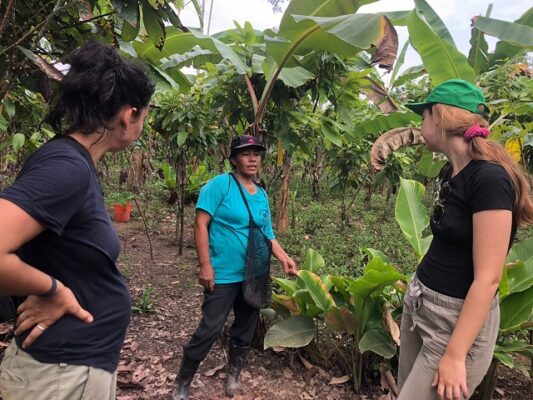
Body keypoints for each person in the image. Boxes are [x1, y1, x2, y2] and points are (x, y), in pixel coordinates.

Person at [0, 41, 154, 399]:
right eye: (144, 116)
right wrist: (53, 291)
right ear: (127, 116)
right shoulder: (67, 167)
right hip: (59, 376)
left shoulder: (71, 160)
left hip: (66, 370)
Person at [397, 79, 533, 400]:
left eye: (424, 115)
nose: (421, 123)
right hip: (421, 302)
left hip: (454, 323)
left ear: (440, 118)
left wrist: (456, 355)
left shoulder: (489, 179)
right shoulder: (451, 171)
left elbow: (488, 278)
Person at [172, 135, 298, 400]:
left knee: (245, 327)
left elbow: (268, 234)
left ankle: (234, 375)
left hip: (254, 273)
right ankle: (183, 382)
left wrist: (284, 257)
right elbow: (200, 224)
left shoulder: (262, 194)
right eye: (245, 154)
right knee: (210, 328)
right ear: (233, 160)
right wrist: (205, 265)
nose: (252, 159)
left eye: (256, 154)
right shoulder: (219, 185)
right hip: (224, 273)